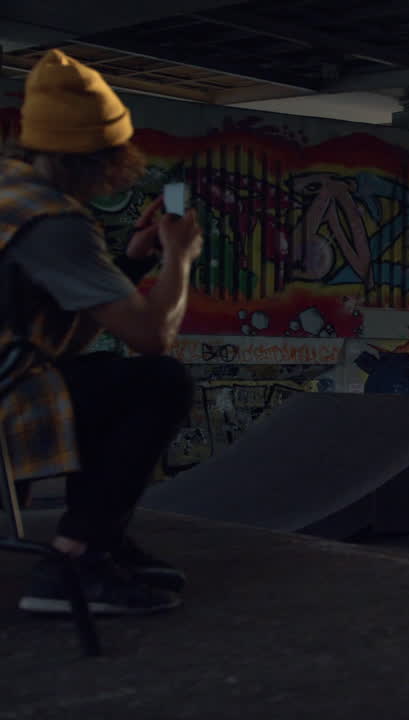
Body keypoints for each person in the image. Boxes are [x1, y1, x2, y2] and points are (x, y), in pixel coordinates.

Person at [0, 50, 203, 615]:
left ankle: (101, 538)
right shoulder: (54, 220)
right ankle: (76, 560)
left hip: (11, 375)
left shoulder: (10, 191)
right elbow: (152, 337)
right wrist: (178, 259)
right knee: (159, 382)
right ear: (102, 157)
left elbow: (69, 336)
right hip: (5, 397)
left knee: (100, 382)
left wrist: (130, 266)